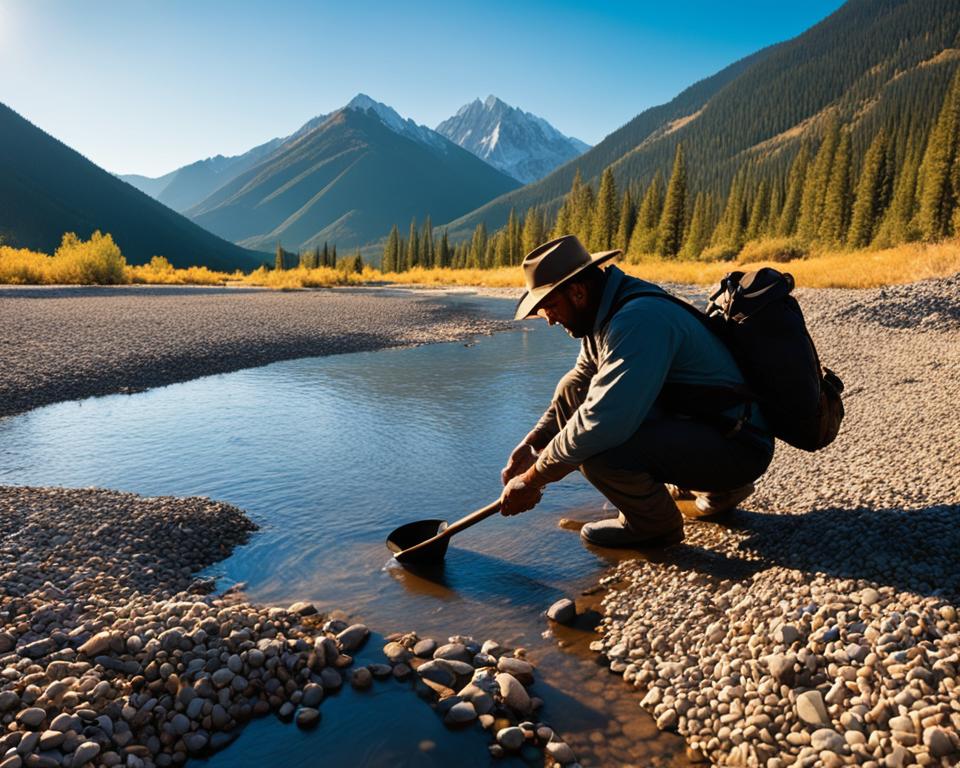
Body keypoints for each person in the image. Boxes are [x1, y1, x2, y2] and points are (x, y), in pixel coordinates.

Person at [498, 235, 775, 548]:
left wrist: (532, 480)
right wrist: (533, 443)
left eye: (549, 306)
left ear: (577, 291)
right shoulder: (605, 309)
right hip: (717, 429)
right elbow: (579, 383)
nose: (547, 319)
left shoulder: (635, 320)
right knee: (572, 388)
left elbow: (601, 422)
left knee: (594, 453)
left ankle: (655, 526)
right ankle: (706, 489)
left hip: (740, 446)